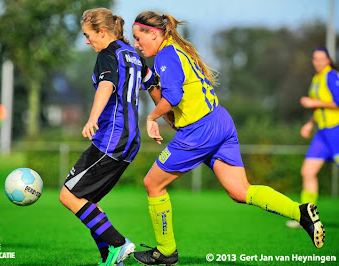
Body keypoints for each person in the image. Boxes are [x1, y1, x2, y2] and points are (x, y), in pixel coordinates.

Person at [131, 11, 326, 265]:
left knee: (152, 184)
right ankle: (299, 212)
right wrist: (157, 96)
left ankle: (166, 251)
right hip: (220, 121)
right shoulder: (177, 51)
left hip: (200, 131)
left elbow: (174, 98)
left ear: (154, 33)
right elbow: (176, 99)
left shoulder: (166, 55)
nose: (136, 44)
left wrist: (150, 118)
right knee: (240, 191)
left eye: (138, 38)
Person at [59, 8, 156, 266]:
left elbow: (107, 84)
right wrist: (157, 118)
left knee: (68, 196)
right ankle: (112, 259)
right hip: (131, 141)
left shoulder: (108, 53)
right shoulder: (134, 54)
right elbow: (153, 84)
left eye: (88, 35)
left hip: (111, 139)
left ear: (102, 32)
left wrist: (92, 119)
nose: (87, 41)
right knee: (88, 201)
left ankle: (119, 244)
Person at [287, 47, 339, 228]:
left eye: (321, 58)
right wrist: (310, 123)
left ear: (328, 60)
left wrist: (314, 102)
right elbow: (320, 109)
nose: (317, 62)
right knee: (307, 172)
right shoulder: (316, 79)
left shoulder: (331, 76)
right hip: (322, 134)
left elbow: (337, 102)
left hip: (336, 132)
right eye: (315, 58)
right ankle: (307, 218)